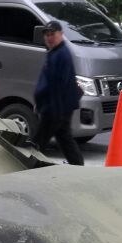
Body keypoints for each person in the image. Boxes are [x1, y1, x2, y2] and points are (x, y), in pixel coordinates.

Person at [32, 19, 84, 166]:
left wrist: (52, 109)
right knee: (63, 137)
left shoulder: (61, 55)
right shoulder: (55, 53)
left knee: (39, 141)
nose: (49, 37)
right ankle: (78, 165)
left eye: (52, 34)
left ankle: (33, 165)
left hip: (56, 107)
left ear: (60, 34)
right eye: (46, 35)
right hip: (57, 106)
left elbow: (58, 85)